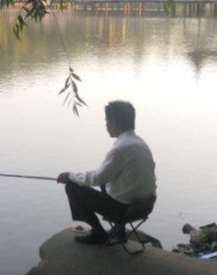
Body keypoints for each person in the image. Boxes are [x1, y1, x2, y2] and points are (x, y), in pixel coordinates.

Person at [57, 100, 156, 244]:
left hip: (124, 211)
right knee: (107, 183)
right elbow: (103, 176)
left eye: (106, 121)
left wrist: (70, 176)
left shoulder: (120, 149)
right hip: (145, 206)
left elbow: (98, 178)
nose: (106, 125)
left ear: (114, 122)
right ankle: (119, 231)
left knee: (72, 187)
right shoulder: (140, 143)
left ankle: (98, 233)